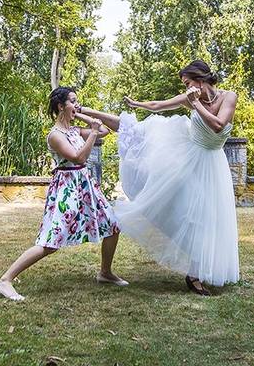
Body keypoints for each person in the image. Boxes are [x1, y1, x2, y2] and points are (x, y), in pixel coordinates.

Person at [79, 60, 239, 296]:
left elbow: (217, 125)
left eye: (188, 83)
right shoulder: (189, 97)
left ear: (200, 79)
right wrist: (137, 103)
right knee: (185, 211)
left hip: (212, 163)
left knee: (209, 215)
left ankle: (200, 269)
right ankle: (194, 272)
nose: (186, 88)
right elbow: (157, 105)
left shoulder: (228, 97)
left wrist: (195, 103)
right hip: (185, 156)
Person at [0, 86, 128, 302]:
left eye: (77, 102)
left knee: (112, 225)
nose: (76, 105)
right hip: (66, 188)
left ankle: (105, 273)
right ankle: (5, 281)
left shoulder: (74, 130)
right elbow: (78, 158)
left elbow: (105, 131)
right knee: (51, 241)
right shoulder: (55, 135)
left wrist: (83, 114)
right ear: (60, 106)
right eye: (72, 101)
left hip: (85, 185)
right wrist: (91, 131)